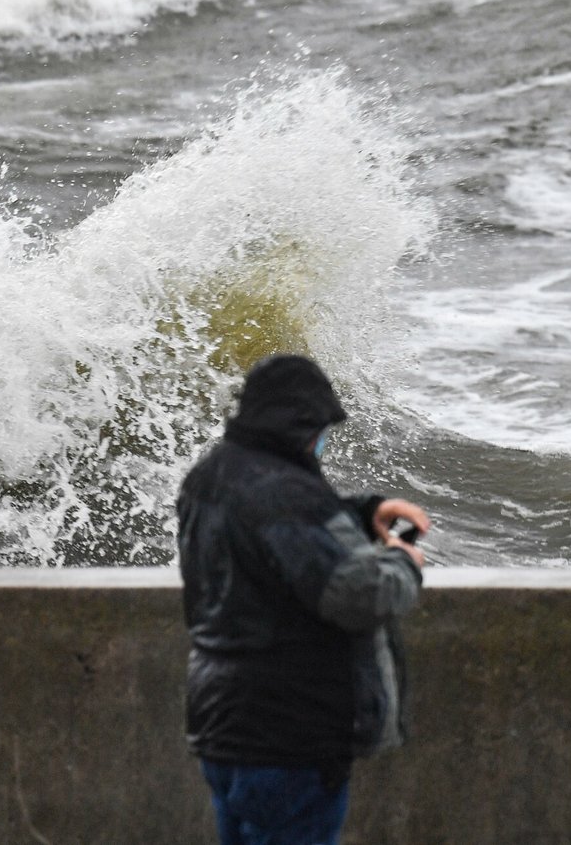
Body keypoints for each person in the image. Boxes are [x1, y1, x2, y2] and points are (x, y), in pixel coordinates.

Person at [175, 354, 429, 845]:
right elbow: (360, 595)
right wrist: (403, 564)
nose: (322, 440)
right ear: (300, 426)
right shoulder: (286, 493)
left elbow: (268, 552)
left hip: (223, 725)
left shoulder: (209, 476)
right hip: (289, 735)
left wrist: (365, 513)